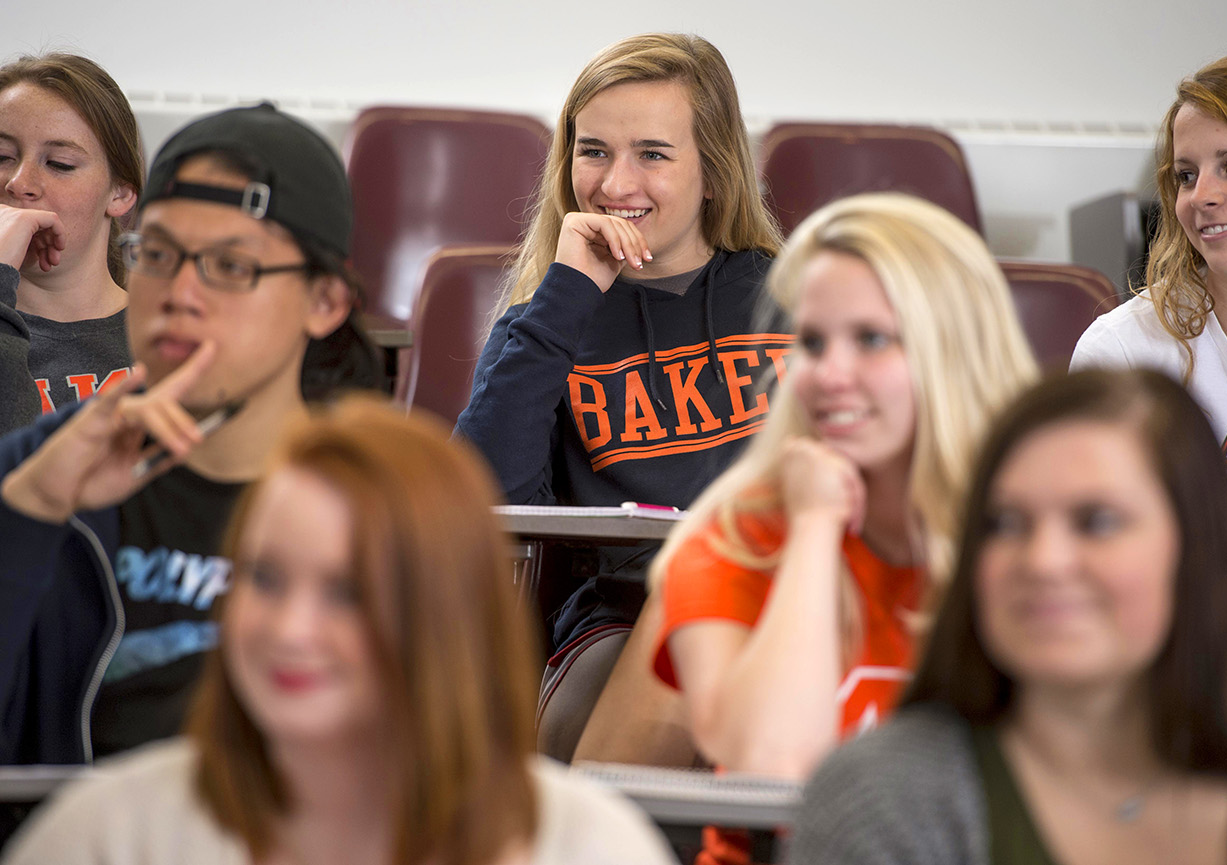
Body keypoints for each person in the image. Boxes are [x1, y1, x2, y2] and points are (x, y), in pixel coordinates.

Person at [1, 396, 675, 865]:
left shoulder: (588, 843)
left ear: (441, 614)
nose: (291, 629)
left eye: (347, 591)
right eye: (263, 578)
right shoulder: (108, 835)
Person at [790, 369, 1227, 865]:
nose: (1043, 561)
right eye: (1006, 523)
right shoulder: (883, 798)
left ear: (1193, 547)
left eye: (1097, 521)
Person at [0, 101, 380, 765]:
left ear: (324, 303)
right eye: (159, 253)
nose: (179, 293)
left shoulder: (381, 506)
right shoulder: (41, 468)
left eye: (231, 266)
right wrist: (30, 510)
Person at [454, 32, 788, 760]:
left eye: (653, 154)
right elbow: (481, 501)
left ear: (713, 170)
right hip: (624, 617)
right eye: (594, 151)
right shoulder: (543, 323)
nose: (613, 184)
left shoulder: (795, 298)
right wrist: (566, 297)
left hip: (790, 606)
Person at [650, 192, 1038, 781]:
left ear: (953, 350)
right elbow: (770, 765)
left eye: (872, 339)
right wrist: (813, 528)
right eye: (811, 342)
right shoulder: (735, 537)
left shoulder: (1039, 537)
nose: (829, 376)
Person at [1070, 52, 1227, 662]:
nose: (1203, 197)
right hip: (1177, 671)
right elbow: (1117, 576)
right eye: (1185, 176)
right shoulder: (1122, 351)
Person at [0, 53, 144, 431]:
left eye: (60, 164)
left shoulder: (165, 336)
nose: (18, 183)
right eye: (1, 157)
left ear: (121, 193)